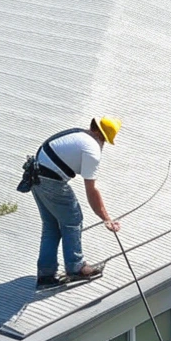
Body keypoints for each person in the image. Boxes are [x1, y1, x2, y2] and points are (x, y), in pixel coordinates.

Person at [30, 117, 122, 288]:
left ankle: (46, 274)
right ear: (101, 136)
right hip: (51, 181)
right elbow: (92, 190)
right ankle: (76, 267)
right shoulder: (92, 149)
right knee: (73, 220)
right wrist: (106, 219)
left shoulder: (78, 134)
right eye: (105, 141)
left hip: (34, 176)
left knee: (51, 225)